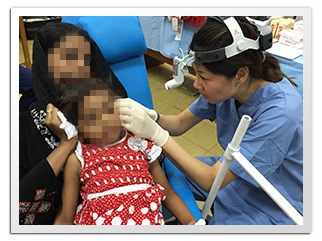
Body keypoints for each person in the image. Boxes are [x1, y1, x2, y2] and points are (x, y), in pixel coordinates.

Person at [117, 16, 303, 225]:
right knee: (153, 171)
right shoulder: (227, 90)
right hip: (230, 174)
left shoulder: (281, 113)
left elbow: (211, 180)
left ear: (240, 75)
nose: (196, 84)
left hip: (269, 199)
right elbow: (179, 123)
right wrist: (153, 117)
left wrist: (157, 135)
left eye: (204, 78)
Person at [19, 22, 127, 225]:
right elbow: (15, 206)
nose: (80, 68)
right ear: (44, 64)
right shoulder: (21, 126)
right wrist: (67, 143)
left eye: (86, 60)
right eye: (69, 57)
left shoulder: (107, 115)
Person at [53, 78, 199, 225]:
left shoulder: (140, 144)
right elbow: (66, 216)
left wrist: (190, 222)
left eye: (108, 109)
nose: (105, 120)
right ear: (79, 129)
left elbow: (166, 190)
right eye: (93, 118)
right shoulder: (78, 159)